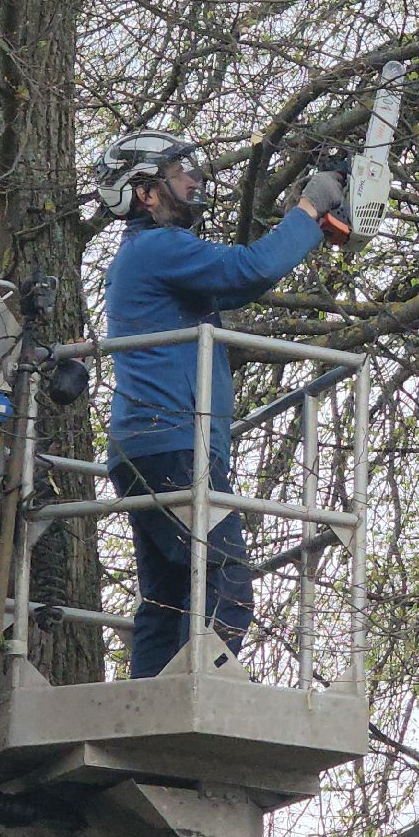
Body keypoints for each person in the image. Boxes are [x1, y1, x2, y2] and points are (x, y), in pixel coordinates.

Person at [95, 129, 343, 678]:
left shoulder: (154, 259)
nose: (195, 179)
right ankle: (195, 701)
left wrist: (305, 220)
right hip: (175, 443)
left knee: (168, 600)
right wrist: (309, 207)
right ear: (146, 194)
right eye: (179, 172)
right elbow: (248, 269)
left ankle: (146, 717)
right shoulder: (158, 248)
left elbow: (237, 279)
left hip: (149, 445)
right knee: (225, 586)